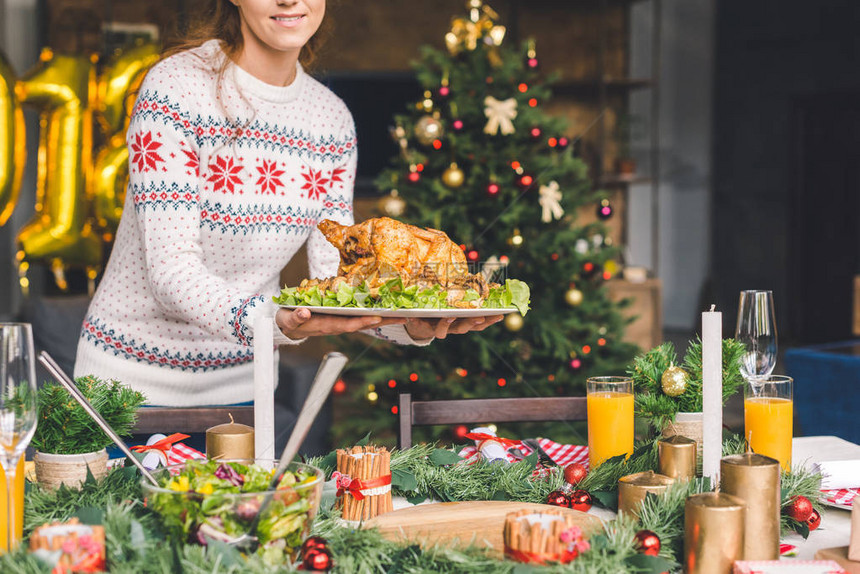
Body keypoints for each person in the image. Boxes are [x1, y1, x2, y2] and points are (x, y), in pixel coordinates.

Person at [74, 0, 502, 408]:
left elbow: (341, 279)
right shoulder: (175, 88)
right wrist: (273, 319)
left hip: (245, 396)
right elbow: (170, 273)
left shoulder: (330, 119)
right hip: (124, 390)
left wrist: (413, 324)